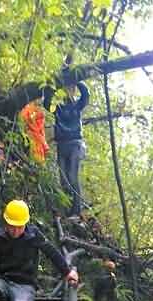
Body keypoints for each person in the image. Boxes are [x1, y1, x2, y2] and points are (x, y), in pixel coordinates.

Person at [44, 81, 89, 219]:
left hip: (76, 144)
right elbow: (46, 103)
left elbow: (86, 95)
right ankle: (67, 210)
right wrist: (56, 84)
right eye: (66, 90)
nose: (68, 93)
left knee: (72, 176)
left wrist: (76, 79)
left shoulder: (78, 105)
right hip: (62, 146)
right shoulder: (58, 108)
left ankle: (76, 211)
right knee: (63, 179)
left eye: (71, 90)